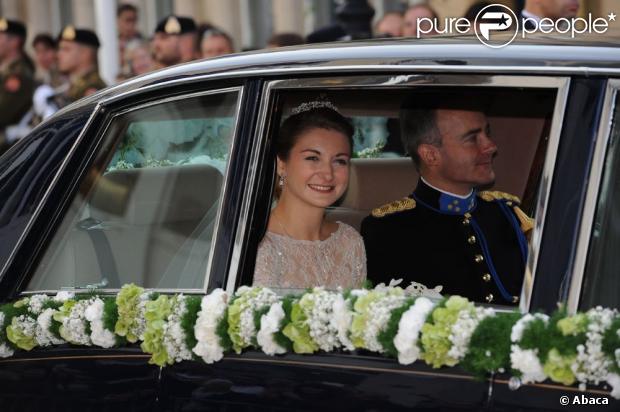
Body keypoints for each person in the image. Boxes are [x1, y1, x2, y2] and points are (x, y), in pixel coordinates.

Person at [361, 95, 532, 305]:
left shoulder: (507, 213)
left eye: (487, 133)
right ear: (431, 155)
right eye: (472, 138)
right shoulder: (387, 230)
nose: (490, 146)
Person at [253, 102, 366, 289]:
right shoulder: (256, 243)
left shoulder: (349, 241)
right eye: (313, 158)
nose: (328, 174)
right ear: (281, 164)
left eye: (339, 161)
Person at [0, 18, 35, 153]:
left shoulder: (19, 74)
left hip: (10, 149)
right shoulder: (6, 72)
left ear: (15, 42)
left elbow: (3, 113)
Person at [55, 26, 106, 108]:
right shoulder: (75, 87)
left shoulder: (91, 91)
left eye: (66, 49)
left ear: (85, 54)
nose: (58, 55)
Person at [117, 3, 142, 69]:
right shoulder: (112, 45)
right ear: (118, 21)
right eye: (127, 20)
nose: (131, 25)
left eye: (134, 20)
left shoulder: (144, 43)